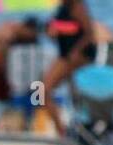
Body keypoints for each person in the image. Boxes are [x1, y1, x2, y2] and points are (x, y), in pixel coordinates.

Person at [41, 0, 96, 136]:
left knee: (42, 91)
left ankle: (63, 132)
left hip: (77, 57)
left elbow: (89, 34)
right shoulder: (63, 7)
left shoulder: (76, 5)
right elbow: (61, 32)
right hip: (66, 55)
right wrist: (51, 33)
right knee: (41, 92)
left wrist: (76, 52)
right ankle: (62, 129)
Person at [0, 16, 41, 109]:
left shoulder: (16, 33)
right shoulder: (10, 32)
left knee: (1, 94)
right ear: (27, 29)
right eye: (32, 34)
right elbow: (5, 56)